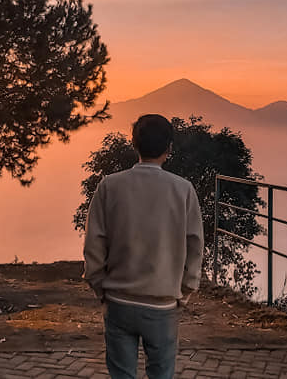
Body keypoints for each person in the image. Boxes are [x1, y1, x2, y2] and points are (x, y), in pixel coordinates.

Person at [83, 114, 205, 379]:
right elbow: (195, 245)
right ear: (169, 148)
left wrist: (100, 287)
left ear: (133, 143)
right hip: (162, 305)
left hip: (118, 301)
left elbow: (94, 243)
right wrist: (184, 292)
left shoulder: (109, 186)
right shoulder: (183, 190)